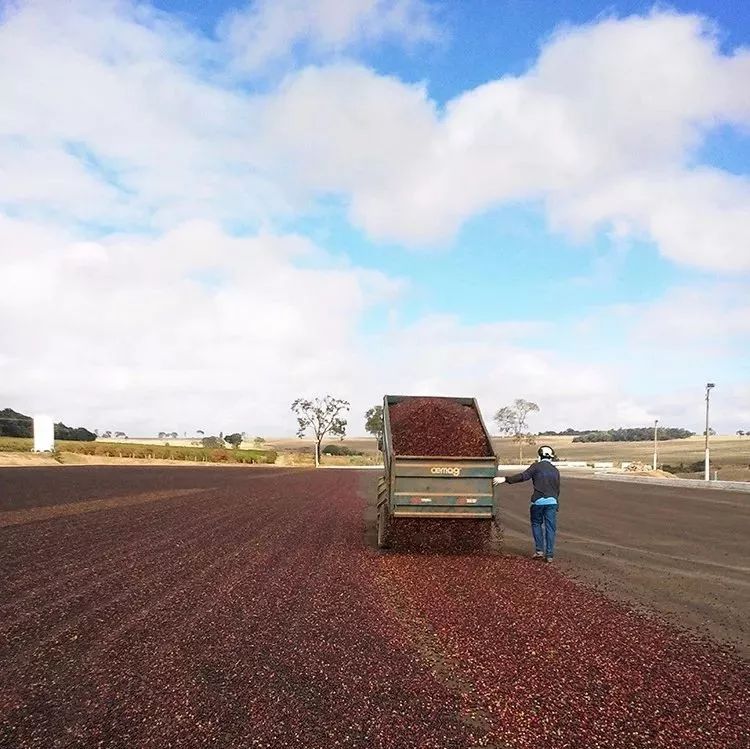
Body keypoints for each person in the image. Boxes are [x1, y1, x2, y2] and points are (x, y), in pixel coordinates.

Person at [494, 445, 560, 562]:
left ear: (539, 456)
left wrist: (505, 479)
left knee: (536, 524)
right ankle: (549, 555)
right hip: (552, 502)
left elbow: (523, 476)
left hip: (538, 502)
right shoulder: (555, 470)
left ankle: (539, 551)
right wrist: (556, 504)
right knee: (550, 528)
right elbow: (557, 489)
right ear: (551, 457)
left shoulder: (536, 467)